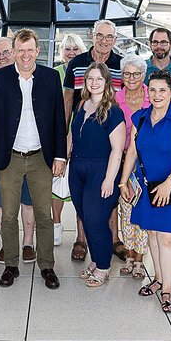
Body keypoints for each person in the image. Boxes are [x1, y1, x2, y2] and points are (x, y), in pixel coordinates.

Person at [0, 29, 66, 290]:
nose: (25, 55)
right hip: (9, 158)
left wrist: (60, 155)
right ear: (14, 52)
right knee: (8, 216)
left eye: (30, 50)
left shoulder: (50, 78)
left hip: (41, 158)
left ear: (37, 51)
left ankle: (47, 266)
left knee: (43, 214)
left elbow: (58, 120)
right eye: (20, 50)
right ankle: (11, 265)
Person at [120, 70, 171, 312]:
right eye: (152, 90)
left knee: (167, 237)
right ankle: (159, 278)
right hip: (146, 185)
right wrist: (123, 182)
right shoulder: (140, 118)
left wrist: (169, 182)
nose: (157, 94)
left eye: (162, 90)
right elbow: (132, 151)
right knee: (152, 234)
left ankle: (168, 289)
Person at [63, 20, 123, 261]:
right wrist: (64, 138)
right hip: (82, 139)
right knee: (85, 201)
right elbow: (69, 99)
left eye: (109, 36)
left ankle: (112, 239)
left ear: (115, 39)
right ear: (92, 36)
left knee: (105, 196)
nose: (104, 40)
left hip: (109, 138)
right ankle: (81, 239)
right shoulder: (77, 64)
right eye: (100, 35)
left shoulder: (120, 64)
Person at [67, 63, 125, 288]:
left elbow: (117, 150)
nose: (94, 82)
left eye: (99, 79)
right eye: (90, 78)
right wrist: (63, 158)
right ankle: (96, 258)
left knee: (96, 219)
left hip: (100, 169)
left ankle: (103, 266)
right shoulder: (82, 104)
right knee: (84, 215)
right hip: (78, 168)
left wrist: (109, 179)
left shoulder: (113, 110)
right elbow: (73, 134)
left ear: (107, 82)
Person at [0, 36, 33, 255]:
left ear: (14, 52)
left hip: (29, 151)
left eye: (6, 52)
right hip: (0, 154)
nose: (2, 57)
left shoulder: (32, 77)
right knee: (1, 204)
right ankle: (8, 244)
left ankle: (28, 243)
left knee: (27, 202)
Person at [116, 55, 150, 279]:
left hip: (148, 165)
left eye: (136, 74)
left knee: (144, 210)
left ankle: (140, 258)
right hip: (122, 160)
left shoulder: (154, 97)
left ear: (143, 75)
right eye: (127, 73)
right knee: (126, 210)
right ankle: (129, 255)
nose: (131, 78)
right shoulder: (114, 98)